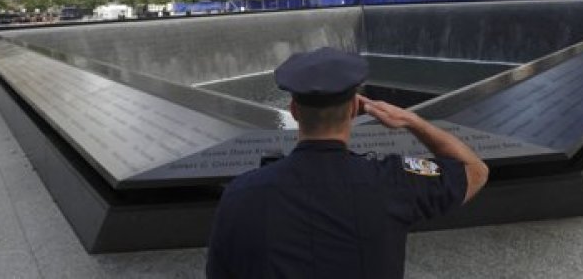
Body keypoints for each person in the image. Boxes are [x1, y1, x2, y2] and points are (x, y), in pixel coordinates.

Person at [206, 47, 489, 279]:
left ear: (293, 111)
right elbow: (475, 171)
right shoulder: (393, 182)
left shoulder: (241, 194)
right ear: (354, 109)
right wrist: (411, 121)